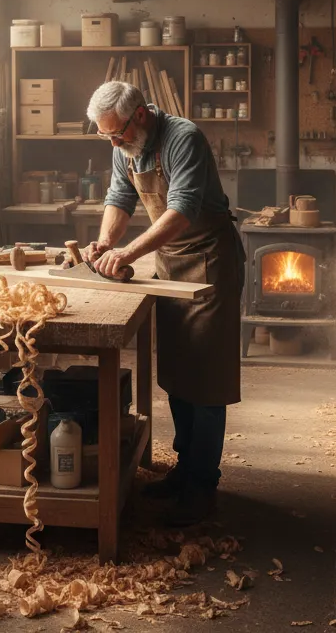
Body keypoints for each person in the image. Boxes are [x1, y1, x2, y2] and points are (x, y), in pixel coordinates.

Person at [82, 81, 244, 526]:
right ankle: (183, 470)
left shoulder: (182, 138)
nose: (113, 144)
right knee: (177, 371)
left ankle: (202, 486)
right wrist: (105, 242)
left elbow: (182, 210)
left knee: (206, 379)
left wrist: (128, 254)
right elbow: (119, 198)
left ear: (140, 115)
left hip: (208, 259)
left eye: (117, 134)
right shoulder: (124, 144)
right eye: (105, 136)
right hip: (170, 261)